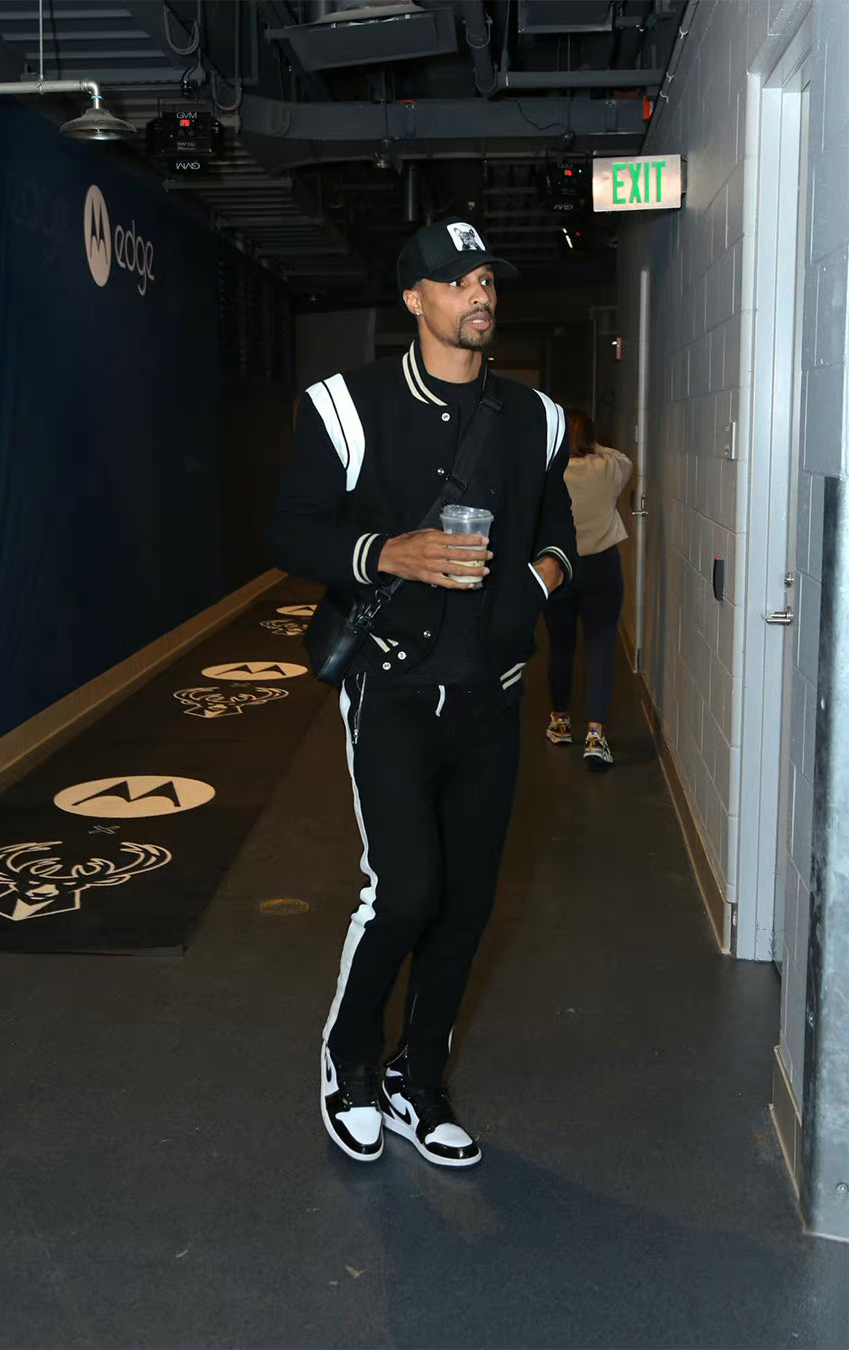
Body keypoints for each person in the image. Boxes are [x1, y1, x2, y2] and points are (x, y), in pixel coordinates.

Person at [267, 217, 577, 1167]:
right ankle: (350, 1060)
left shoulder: (536, 418)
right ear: (413, 299)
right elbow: (291, 531)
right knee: (405, 891)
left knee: (468, 903)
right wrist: (385, 553)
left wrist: (530, 589)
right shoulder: (345, 407)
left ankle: (419, 1078)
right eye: (458, 280)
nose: (481, 293)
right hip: (392, 687)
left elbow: (562, 538)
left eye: (488, 279)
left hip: (491, 691)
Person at [542, 408, 633, 770]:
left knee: (560, 646)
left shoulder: (550, 472)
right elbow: (624, 459)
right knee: (600, 647)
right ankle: (596, 736)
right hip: (602, 567)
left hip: (560, 566)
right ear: (591, 439)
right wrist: (593, 446)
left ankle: (560, 722)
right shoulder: (607, 468)